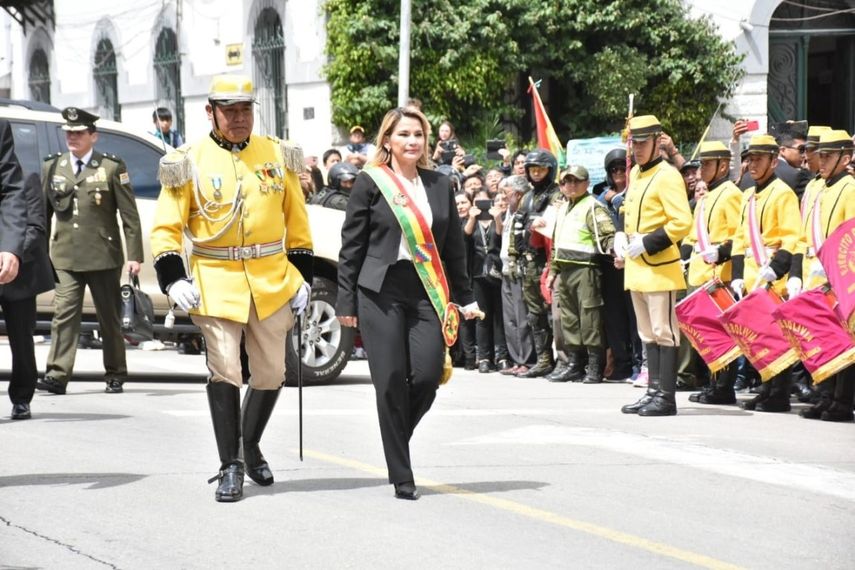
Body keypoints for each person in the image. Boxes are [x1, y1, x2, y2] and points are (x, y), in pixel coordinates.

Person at [150, 74, 313, 502]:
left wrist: (302, 277)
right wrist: (173, 279)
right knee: (226, 368)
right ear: (211, 112)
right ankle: (231, 464)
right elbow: (166, 228)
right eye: (230, 111)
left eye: (245, 110)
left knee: (273, 372)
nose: (239, 119)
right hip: (215, 279)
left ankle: (251, 441)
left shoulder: (277, 155)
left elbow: (297, 223)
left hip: (271, 279)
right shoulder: (187, 160)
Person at [336, 106, 479, 501]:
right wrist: (345, 300)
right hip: (379, 290)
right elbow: (352, 247)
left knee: (428, 375)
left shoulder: (439, 184)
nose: (412, 141)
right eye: (403, 135)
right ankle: (402, 472)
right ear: (387, 141)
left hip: (425, 290)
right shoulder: (371, 183)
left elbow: (454, 250)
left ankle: (396, 439)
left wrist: (465, 297)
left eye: (418, 134)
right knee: (390, 378)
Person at [37, 107, 144, 395]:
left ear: (93, 136)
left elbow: (129, 216)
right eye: (69, 133)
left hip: (103, 255)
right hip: (65, 256)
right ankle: (57, 375)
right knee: (63, 316)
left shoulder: (110, 167)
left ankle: (115, 373)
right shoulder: (53, 166)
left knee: (108, 318)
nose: (72, 137)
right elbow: (43, 214)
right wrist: (39, 251)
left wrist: (134, 256)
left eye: (79, 133)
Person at [616, 115, 692, 416]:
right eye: (633, 142)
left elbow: (681, 221)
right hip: (637, 267)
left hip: (659, 265)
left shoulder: (668, 175)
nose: (637, 149)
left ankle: (667, 397)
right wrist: (622, 234)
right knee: (647, 332)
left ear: (657, 142)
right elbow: (628, 208)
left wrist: (648, 241)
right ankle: (652, 391)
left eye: (642, 142)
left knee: (664, 331)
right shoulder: (636, 173)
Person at [728, 134, 801, 413]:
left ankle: (779, 393)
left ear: (773, 160)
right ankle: (766, 386)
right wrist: (736, 273)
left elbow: (792, 237)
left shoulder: (782, 193)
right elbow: (738, 238)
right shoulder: (748, 194)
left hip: (771, 272)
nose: (753, 164)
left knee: (774, 337)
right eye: (750, 159)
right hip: (750, 274)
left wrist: (777, 269)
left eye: (758, 159)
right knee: (756, 337)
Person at [679, 141, 742, 405]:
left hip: (720, 274)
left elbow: (739, 236)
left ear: (723, 165)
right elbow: (693, 235)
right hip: (700, 273)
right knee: (706, 335)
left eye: (706, 164)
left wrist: (722, 252)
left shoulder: (730, 193)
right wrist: (682, 258)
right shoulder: (707, 196)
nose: (701, 170)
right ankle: (712, 382)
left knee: (721, 334)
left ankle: (724, 387)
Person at [799, 130, 855, 422]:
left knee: (841, 338)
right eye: (820, 156)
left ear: (845, 158)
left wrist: (832, 265)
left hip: (838, 273)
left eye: (828, 157)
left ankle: (841, 400)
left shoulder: (849, 187)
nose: (821, 162)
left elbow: (850, 235)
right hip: (814, 269)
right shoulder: (820, 187)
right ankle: (824, 394)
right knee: (821, 336)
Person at [547, 165, 615, 384]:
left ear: (586, 183)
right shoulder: (564, 208)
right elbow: (557, 241)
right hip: (565, 269)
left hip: (586, 268)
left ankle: (595, 366)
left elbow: (607, 235)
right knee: (569, 319)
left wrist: (616, 249)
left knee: (589, 318)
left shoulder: (593, 206)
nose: (571, 185)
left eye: (576, 181)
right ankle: (574, 364)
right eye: (567, 181)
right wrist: (553, 271)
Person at [0, 118, 37, 419]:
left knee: (21, 339)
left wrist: (12, 249)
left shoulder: (0, 129)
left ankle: (22, 396)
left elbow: (14, 196)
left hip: (14, 270)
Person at [513, 149, 560, 378]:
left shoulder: (556, 195)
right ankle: (543, 359)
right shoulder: (527, 197)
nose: (536, 173)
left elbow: (554, 225)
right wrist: (514, 257)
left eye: (540, 169)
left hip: (547, 262)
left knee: (554, 314)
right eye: (533, 170)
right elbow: (517, 227)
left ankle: (563, 359)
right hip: (528, 262)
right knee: (534, 314)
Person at [464, 188, 509, 372]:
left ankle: (501, 356)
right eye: (478, 202)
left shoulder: (497, 218)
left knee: (499, 316)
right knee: (481, 316)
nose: (482, 206)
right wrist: (472, 217)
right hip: (477, 274)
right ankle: (483, 357)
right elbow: (464, 236)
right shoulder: (471, 222)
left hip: (496, 272)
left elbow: (500, 235)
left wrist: (497, 217)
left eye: (485, 202)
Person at [498, 175, 536, 375]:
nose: (503, 198)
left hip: (519, 268)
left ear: (518, 194)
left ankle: (527, 361)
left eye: (506, 193)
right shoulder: (509, 213)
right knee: (510, 319)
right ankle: (516, 360)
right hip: (505, 268)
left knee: (522, 317)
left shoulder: (524, 213)